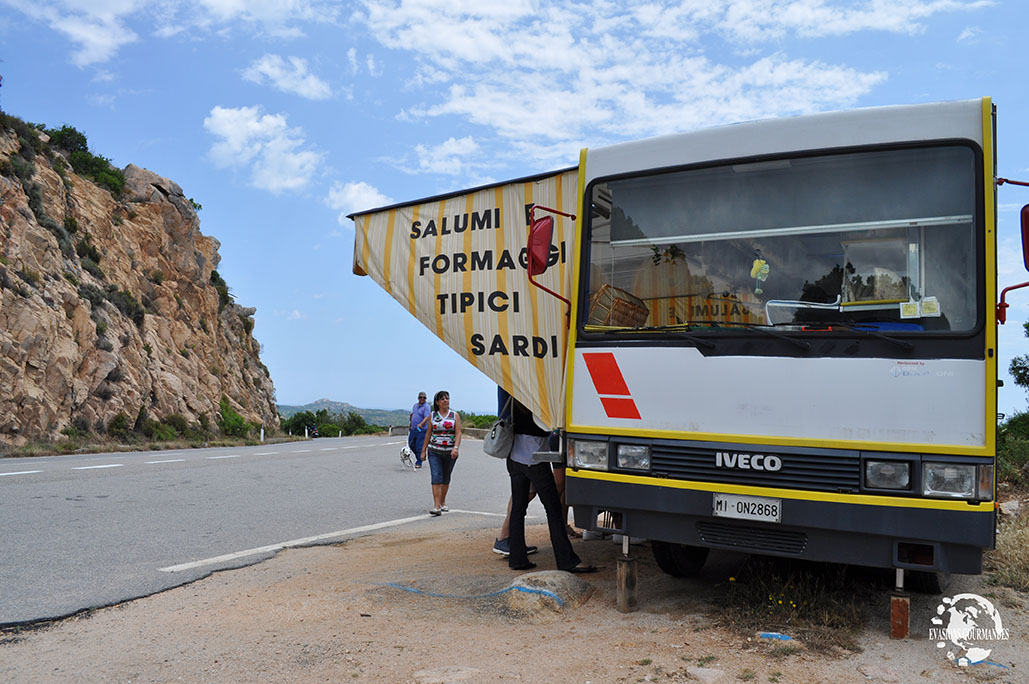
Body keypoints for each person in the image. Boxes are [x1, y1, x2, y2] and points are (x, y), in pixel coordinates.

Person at [500, 387, 596, 573]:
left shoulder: (512, 392)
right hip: (535, 457)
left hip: (514, 457)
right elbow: (550, 427)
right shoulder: (539, 397)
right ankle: (567, 560)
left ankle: (517, 558)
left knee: (518, 510)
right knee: (553, 510)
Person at [421, 390, 461, 516]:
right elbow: (428, 433)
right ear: (437, 402)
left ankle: (443, 501)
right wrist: (423, 451)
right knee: (436, 477)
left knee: (446, 478)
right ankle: (437, 506)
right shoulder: (433, 416)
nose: (445, 401)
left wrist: (456, 448)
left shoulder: (454, 415)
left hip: (450, 452)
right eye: (442, 399)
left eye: (447, 398)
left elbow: (458, 433)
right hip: (434, 450)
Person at [408, 391, 431, 469]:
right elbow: (413, 415)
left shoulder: (426, 407)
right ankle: (420, 456)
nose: (422, 399)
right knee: (411, 444)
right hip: (413, 429)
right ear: (418, 398)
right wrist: (410, 423)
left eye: (424, 397)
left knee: (419, 446)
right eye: (421, 397)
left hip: (422, 430)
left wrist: (421, 424)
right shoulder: (415, 406)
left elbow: (427, 417)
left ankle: (419, 461)